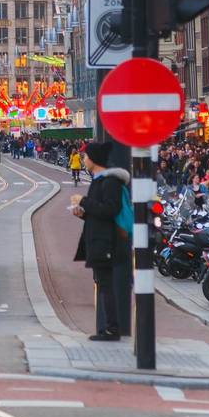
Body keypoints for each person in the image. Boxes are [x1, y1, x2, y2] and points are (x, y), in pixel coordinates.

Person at [71, 140, 130, 342]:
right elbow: (100, 211)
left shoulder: (109, 182)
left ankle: (112, 330)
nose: (84, 160)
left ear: (94, 159)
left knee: (105, 285)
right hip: (99, 239)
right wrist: (82, 214)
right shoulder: (100, 181)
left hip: (107, 241)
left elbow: (110, 210)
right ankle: (109, 328)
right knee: (103, 283)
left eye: (86, 157)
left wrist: (83, 201)